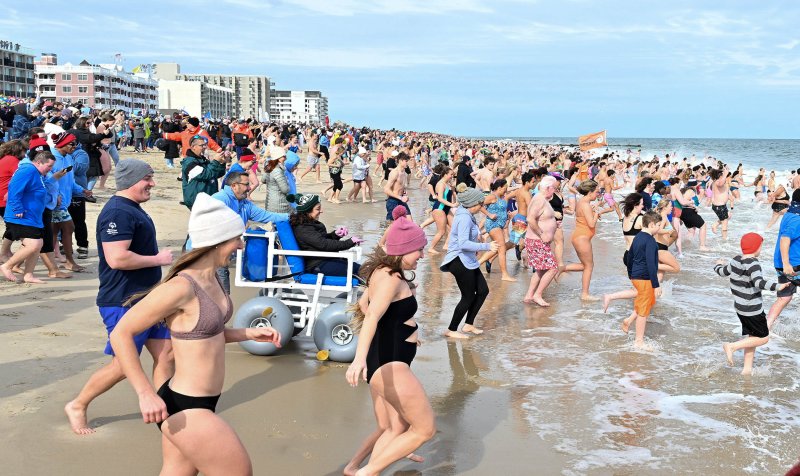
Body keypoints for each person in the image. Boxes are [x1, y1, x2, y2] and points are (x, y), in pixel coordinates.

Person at [110, 193, 280, 475]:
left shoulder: (212, 277)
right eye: (236, 238)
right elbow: (121, 333)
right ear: (216, 241)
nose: (240, 244)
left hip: (204, 402)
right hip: (184, 406)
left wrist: (246, 333)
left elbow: (205, 333)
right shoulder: (181, 287)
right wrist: (144, 393)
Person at [64, 159, 175, 435]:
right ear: (131, 181)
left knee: (167, 353)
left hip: (148, 298)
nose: (152, 183)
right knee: (124, 365)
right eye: (147, 179)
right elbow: (117, 258)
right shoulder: (117, 212)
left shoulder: (132, 208)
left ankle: (166, 407)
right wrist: (157, 259)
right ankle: (78, 405)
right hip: (122, 300)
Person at [345, 212, 434, 476]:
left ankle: (361, 471)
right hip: (390, 364)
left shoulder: (383, 272)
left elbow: (364, 304)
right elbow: (371, 315)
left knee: (396, 428)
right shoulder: (391, 278)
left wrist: (403, 326)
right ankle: (364, 473)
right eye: (419, 249)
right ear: (405, 249)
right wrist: (358, 359)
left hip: (384, 360)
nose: (422, 254)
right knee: (424, 429)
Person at [715, 233, 783, 375]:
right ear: (756, 247)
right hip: (752, 309)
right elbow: (759, 283)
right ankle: (732, 346)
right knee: (763, 338)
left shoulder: (735, 260)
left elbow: (722, 272)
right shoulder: (753, 264)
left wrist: (717, 265)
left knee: (753, 337)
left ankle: (746, 370)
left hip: (740, 308)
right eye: (761, 246)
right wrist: (778, 286)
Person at [212, 172, 289, 293]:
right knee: (222, 296)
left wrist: (294, 216)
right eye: (246, 184)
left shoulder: (244, 203)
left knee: (222, 296)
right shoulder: (219, 199)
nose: (249, 188)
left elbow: (267, 216)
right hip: (207, 254)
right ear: (234, 186)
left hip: (222, 255)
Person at [440, 185, 498, 338]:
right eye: (480, 204)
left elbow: (468, 237)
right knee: (468, 296)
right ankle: (451, 330)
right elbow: (463, 243)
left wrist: (478, 241)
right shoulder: (464, 217)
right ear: (472, 204)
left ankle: (468, 324)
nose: (482, 206)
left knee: (483, 290)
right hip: (458, 260)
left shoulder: (466, 213)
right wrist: (487, 246)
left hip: (467, 258)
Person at [0, 151, 57, 283]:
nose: (51, 169)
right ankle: (7, 266)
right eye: (49, 166)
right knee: (34, 244)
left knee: (38, 244)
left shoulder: (38, 174)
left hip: (33, 217)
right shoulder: (27, 170)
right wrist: (17, 208)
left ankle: (28, 274)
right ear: (38, 162)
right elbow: (13, 189)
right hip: (21, 215)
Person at [288, 193, 363, 277]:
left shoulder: (307, 224)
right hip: (318, 265)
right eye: (318, 209)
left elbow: (319, 241)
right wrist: (350, 242)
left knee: (363, 269)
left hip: (325, 260)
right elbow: (324, 244)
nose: (321, 211)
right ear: (307, 211)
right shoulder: (303, 228)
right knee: (363, 271)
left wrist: (335, 235)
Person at [561, 179, 610, 301]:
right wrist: (596, 213)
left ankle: (561, 268)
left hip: (579, 236)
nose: (598, 195)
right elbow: (591, 224)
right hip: (582, 238)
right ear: (590, 192)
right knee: (589, 266)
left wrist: (594, 209)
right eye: (597, 192)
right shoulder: (585, 204)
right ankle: (585, 294)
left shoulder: (581, 202)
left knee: (586, 265)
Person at [50, 131, 92, 272]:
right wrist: (54, 196)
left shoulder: (68, 158)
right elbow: (44, 180)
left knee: (53, 233)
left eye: (76, 143)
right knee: (69, 228)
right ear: (61, 144)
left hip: (65, 202)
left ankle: (50, 263)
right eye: (72, 144)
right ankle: (69, 261)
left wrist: (82, 190)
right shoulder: (51, 158)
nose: (75, 146)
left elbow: (70, 180)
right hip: (54, 203)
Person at [621, 211, 662, 350]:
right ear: (651, 224)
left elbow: (629, 256)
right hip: (644, 277)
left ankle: (628, 320)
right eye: (658, 225)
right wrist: (656, 285)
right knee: (644, 310)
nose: (659, 228)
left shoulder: (638, 237)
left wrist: (631, 274)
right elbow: (651, 263)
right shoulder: (650, 240)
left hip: (636, 276)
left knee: (649, 301)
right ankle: (639, 341)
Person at [522, 176, 561, 305]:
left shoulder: (542, 199)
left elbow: (542, 217)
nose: (555, 191)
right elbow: (530, 219)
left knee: (541, 269)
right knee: (553, 268)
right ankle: (537, 295)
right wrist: (542, 233)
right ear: (548, 188)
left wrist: (554, 222)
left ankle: (529, 295)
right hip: (537, 240)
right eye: (554, 189)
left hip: (537, 241)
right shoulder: (539, 199)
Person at [766, 189, 800, 329]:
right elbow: (785, 238)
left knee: (784, 297)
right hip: (792, 265)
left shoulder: (790, 213)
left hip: (781, 262)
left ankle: (765, 327)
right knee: (784, 297)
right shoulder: (797, 218)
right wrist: (787, 264)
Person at [479, 179, 516, 281]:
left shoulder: (500, 197)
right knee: (502, 248)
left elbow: (500, 209)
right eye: (505, 188)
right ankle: (504, 275)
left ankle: (476, 264)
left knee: (496, 248)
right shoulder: (492, 196)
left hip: (499, 225)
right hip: (493, 224)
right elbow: (478, 205)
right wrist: (489, 214)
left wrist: (506, 216)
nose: (506, 190)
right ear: (499, 188)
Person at [180, 136, 227, 210]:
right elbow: (204, 175)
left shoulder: (203, 160)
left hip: (208, 199)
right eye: (202, 145)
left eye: (205, 145)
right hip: (197, 201)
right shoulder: (189, 162)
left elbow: (216, 174)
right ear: (193, 147)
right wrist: (215, 161)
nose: (204, 147)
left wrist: (221, 163)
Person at [263, 146, 292, 214]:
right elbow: (285, 189)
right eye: (284, 156)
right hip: (279, 204)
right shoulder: (278, 170)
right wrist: (288, 184)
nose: (285, 158)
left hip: (269, 201)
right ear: (278, 158)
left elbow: (263, 180)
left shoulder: (269, 167)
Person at [383, 152, 411, 220]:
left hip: (401, 200)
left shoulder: (404, 172)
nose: (407, 163)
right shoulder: (395, 173)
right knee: (391, 226)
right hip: (393, 201)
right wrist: (400, 197)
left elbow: (401, 186)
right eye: (406, 161)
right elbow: (386, 189)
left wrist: (404, 194)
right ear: (400, 161)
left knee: (410, 222)